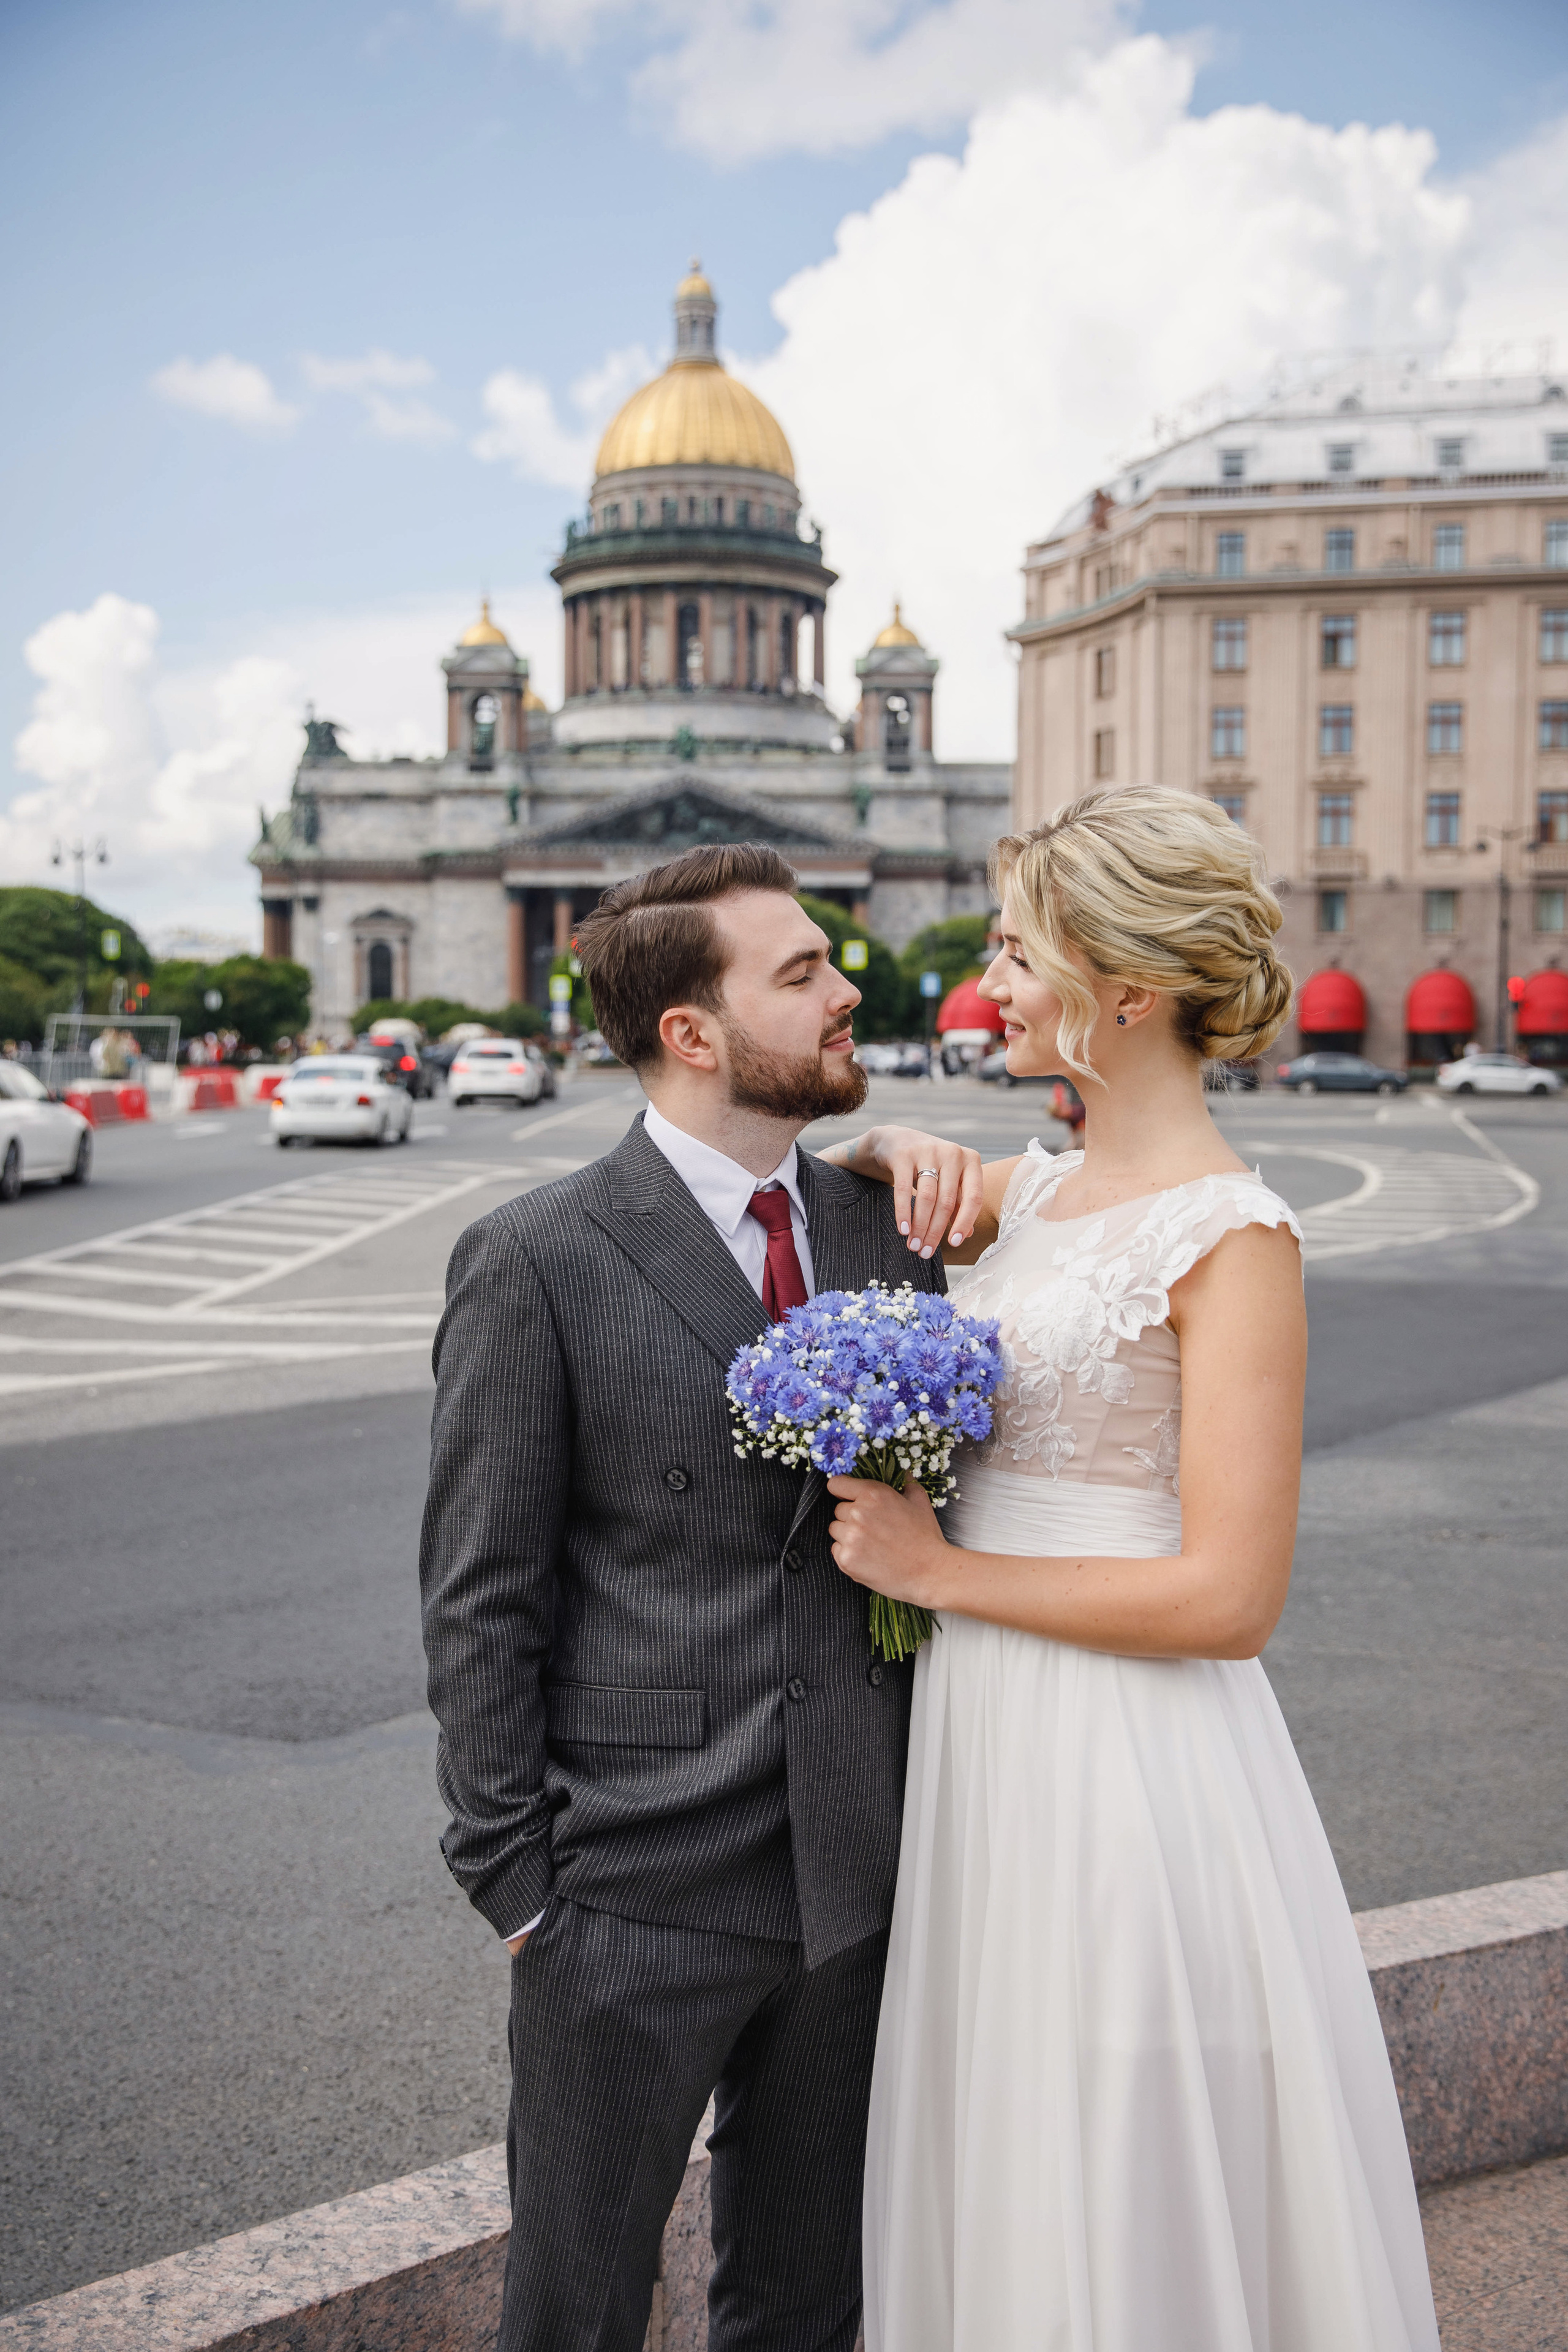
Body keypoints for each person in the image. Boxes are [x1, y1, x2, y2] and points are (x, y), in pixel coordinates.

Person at [826, 790, 1440, 2351]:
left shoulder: (1233, 1239)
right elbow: (847, 1145)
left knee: (1108, 2117)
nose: (991, 988)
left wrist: (938, 1574)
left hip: (1123, 1750)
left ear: (1128, 988)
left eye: (1017, 953)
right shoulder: (1022, 1195)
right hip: (986, 1742)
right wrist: (903, 1141)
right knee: (1006, 2100)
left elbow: (1230, 1599)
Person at [419, 842, 984, 2352]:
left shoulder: (885, 1229)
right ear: (691, 1031)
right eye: (800, 972)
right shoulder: (536, 1257)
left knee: (807, 2303)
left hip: (856, 1874)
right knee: (577, 2308)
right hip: (629, 1883)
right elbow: (482, 1593)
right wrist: (521, 1881)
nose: (846, 984)